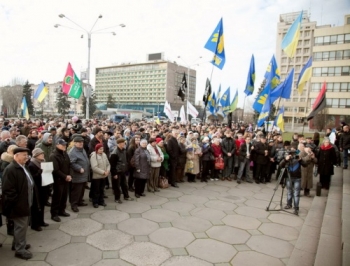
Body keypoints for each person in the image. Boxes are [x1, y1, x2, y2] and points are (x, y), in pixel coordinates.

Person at [2, 147, 36, 260]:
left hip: (25, 202)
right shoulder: (11, 169)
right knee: (21, 227)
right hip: (19, 205)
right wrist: (17, 204)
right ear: (16, 156)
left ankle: (17, 244)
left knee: (22, 227)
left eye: (27, 155)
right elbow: (9, 191)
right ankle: (20, 250)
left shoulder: (22, 166)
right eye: (24, 155)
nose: (26, 157)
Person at [280, 149, 308, 215]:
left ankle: (296, 207)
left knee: (296, 193)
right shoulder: (287, 159)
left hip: (297, 178)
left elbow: (305, 165)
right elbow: (281, 165)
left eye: (294, 154)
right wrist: (285, 159)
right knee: (289, 191)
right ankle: (289, 204)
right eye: (291, 154)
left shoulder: (298, 159)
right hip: (288, 177)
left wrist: (300, 160)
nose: (293, 156)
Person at [28, 148, 49, 231]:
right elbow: (33, 177)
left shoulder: (43, 162)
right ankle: (35, 224)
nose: (43, 155)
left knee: (42, 205)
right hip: (37, 188)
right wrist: (40, 171)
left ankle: (41, 221)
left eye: (43, 153)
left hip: (43, 186)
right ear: (36, 155)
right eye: (41, 154)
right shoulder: (32, 164)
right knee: (36, 207)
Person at [50, 139, 72, 222]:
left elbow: (69, 164)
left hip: (66, 178)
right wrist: (65, 176)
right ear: (57, 145)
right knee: (57, 197)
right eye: (62, 145)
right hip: (58, 180)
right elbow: (55, 170)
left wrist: (69, 175)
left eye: (65, 145)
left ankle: (62, 210)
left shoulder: (65, 153)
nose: (64, 146)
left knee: (64, 196)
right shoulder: (54, 155)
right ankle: (54, 214)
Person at [68, 136, 90, 212]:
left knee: (82, 190)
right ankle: (74, 205)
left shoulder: (82, 149)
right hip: (77, 175)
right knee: (76, 191)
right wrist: (79, 168)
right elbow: (71, 163)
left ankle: (80, 201)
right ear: (75, 143)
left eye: (82, 142)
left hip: (84, 175)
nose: (81, 143)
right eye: (79, 142)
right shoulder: (73, 152)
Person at [110, 138, 134, 203]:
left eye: (124, 143)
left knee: (124, 185)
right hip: (117, 172)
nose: (124, 144)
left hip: (122, 171)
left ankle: (126, 196)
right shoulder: (114, 153)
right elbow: (112, 165)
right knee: (117, 186)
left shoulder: (124, 150)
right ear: (119, 144)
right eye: (123, 143)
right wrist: (114, 174)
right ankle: (117, 199)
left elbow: (126, 160)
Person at [90, 143, 110, 208]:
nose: (102, 150)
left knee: (102, 189)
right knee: (96, 190)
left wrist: (107, 170)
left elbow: (108, 164)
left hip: (104, 176)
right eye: (100, 149)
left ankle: (101, 201)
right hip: (96, 177)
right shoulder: (94, 156)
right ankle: (95, 202)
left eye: (102, 149)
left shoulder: (104, 155)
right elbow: (94, 167)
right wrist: (103, 172)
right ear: (97, 149)